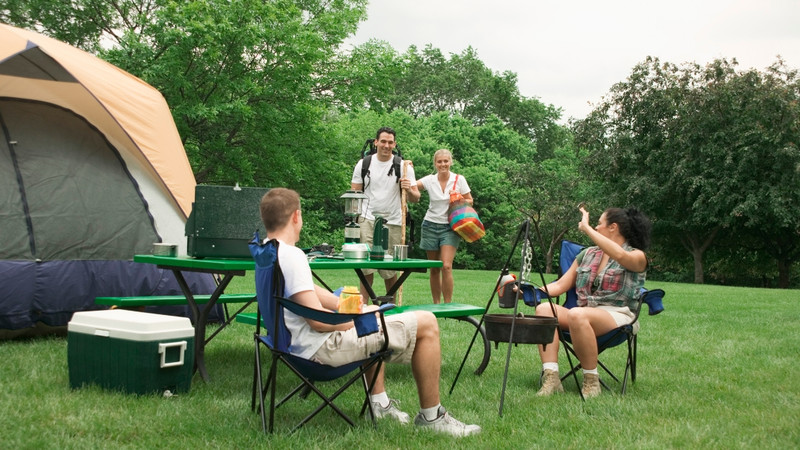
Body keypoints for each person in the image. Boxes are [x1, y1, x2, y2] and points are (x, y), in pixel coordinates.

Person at [259, 188, 480, 437]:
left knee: (368, 309)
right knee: (427, 322)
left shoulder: (269, 250)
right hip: (319, 350)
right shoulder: (294, 256)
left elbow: (307, 290)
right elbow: (318, 322)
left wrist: (356, 308)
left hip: (291, 346)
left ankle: (380, 403)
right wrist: (358, 321)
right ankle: (432, 417)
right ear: (297, 216)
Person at [533, 205, 652, 398]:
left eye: (598, 224)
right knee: (545, 309)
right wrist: (530, 290)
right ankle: (551, 377)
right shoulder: (587, 254)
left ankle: (591, 381)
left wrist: (586, 228)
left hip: (618, 314)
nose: (596, 228)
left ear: (613, 227)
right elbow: (562, 284)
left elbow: (620, 256)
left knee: (577, 314)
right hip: (583, 314)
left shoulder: (637, 256)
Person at [351, 127, 420, 301]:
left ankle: (390, 307)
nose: (386, 145)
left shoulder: (403, 166)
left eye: (390, 142)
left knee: (390, 269)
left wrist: (408, 189)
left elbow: (415, 198)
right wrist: (354, 219)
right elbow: (354, 193)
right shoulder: (363, 164)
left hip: (394, 221)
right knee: (366, 267)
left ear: (394, 144)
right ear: (376, 142)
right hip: (367, 219)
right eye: (383, 141)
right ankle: (364, 308)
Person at [415, 149, 473, 304]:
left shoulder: (459, 179)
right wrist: (407, 176)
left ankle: (448, 304)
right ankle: (436, 304)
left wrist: (458, 198)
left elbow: (470, 200)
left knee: (446, 266)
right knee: (434, 268)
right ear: (435, 164)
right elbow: (413, 187)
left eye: (446, 161)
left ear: (450, 162)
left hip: (450, 227)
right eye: (439, 162)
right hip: (430, 225)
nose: (443, 164)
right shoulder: (429, 180)